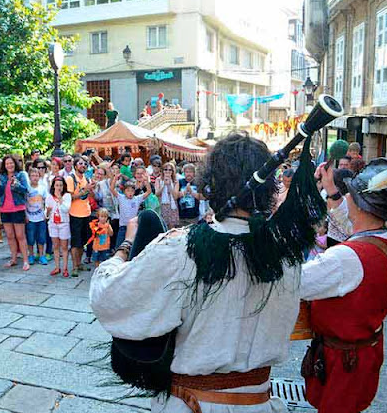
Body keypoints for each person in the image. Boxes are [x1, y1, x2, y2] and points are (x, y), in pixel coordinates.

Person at [92, 133, 307, 413]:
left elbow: (108, 298)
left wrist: (126, 245)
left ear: (211, 183)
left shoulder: (182, 248)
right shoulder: (287, 256)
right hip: (260, 404)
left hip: (196, 406)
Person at [301, 159, 387, 413]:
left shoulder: (347, 257)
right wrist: (333, 192)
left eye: (350, 193)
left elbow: (295, 284)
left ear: (359, 204)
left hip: (343, 361)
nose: (346, 195)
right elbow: (352, 227)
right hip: (363, 354)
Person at [0, 155, 30, 271]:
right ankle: (14, 258)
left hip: (18, 208)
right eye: (7, 164)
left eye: (11, 163)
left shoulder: (21, 175)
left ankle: (26, 260)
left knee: (20, 236)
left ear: (15, 164)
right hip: (5, 209)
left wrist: (16, 184)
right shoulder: (1, 176)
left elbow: (26, 190)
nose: (9, 166)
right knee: (10, 236)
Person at [65, 157, 95, 276]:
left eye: (85, 164)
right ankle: (74, 267)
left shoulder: (87, 178)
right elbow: (70, 197)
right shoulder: (70, 178)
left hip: (86, 213)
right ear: (75, 166)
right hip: (75, 214)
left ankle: (80, 263)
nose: (83, 165)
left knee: (83, 241)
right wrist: (84, 190)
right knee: (75, 242)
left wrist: (92, 189)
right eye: (80, 163)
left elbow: (91, 196)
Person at [110, 177, 151, 248]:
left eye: (132, 191)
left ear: (134, 192)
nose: (130, 193)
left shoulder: (137, 199)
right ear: (124, 191)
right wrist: (115, 179)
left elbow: (148, 192)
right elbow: (112, 189)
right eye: (128, 191)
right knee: (119, 246)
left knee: (132, 246)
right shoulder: (121, 197)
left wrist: (146, 182)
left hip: (133, 227)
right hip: (123, 226)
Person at [46, 176, 72, 277]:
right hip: (53, 224)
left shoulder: (67, 196)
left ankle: (65, 268)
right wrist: (47, 211)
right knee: (55, 246)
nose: (59, 187)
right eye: (57, 185)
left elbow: (66, 209)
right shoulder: (49, 197)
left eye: (61, 185)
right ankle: (57, 267)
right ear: (53, 186)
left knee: (64, 247)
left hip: (63, 224)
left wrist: (60, 199)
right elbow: (46, 214)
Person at [25, 167, 49, 266]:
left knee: (41, 237)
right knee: (30, 238)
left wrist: (46, 213)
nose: (34, 178)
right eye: (32, 176)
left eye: (36, 176)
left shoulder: (42, 188)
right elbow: (24, 202)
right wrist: (25, 215)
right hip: (29, 217)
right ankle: (31, 255)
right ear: (29, 177)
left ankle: (41, 255)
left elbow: (46, 201)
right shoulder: (27, 188)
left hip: (40, 217)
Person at [94, 164, 119, 246]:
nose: (98, 176)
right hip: (95, 214)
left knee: (109, 233)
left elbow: (112, 178)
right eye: (97, 173)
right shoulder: (91, 182)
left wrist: (107, 168)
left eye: (101, 174)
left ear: (105, 176)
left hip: (108, 213)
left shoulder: (106, 182)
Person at [156, 162, 180, 229]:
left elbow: (175, 197)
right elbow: (157, 194)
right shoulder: (158, 180)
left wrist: (169, 185)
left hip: (172, 207)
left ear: (173, 171)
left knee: (171, 228)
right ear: (162, 171)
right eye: (165, 169)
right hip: (162, 206)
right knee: (162, 227)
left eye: (170, 170)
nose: (167, 171)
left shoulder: (175, 181)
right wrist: (163, 185)